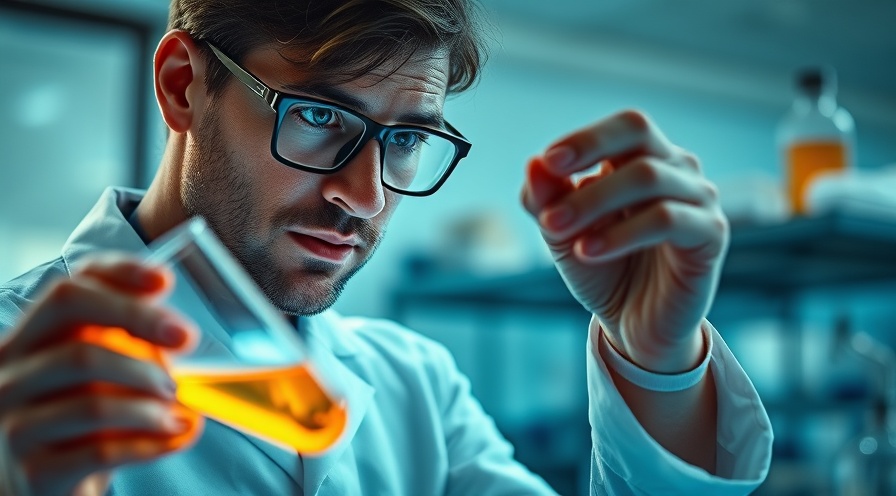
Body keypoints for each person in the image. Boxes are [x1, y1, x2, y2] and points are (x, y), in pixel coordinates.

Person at [0, 1, 772, 494]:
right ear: (181, 86)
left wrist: (656, 355)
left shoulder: (416, 384)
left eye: (405, 138)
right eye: (318, 117)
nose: (364, 197)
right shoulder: (14, 363)